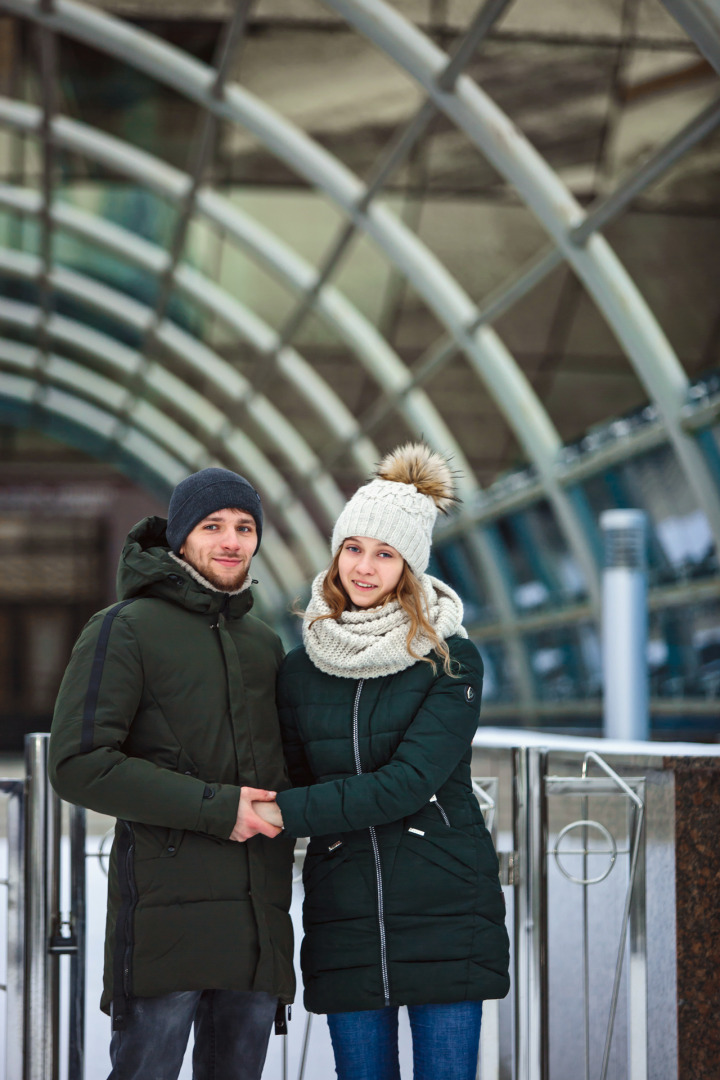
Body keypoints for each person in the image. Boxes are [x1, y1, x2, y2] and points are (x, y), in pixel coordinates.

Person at [250, 443, 510, 1080]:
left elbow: (407, 784)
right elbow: (296, 774)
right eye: (354, 547)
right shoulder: (300, 668)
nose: (364, 567)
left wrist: (280, 811)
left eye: (385, 553)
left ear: (409, 566)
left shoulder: (451, 661)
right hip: (346, 912)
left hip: (447, 905)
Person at [49, 466, 295, 1080]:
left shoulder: (264, 643)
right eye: (212, 526)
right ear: (181, 537)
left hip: (257, 924)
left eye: (244, 527)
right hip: (165, 923)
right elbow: (79, 765)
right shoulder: (122, 629)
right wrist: (217, 808)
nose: (231, 541)